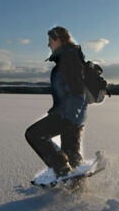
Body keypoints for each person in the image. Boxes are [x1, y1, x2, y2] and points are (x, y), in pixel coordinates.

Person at [25, 26, 88, 178]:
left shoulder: (69, 59)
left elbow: (78, 92)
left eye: (50, 41)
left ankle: (63, 170)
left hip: (68, 115)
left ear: (58, 40)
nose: (48, 44)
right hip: (71, 114)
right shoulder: (68, 57)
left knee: (34, 134)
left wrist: (70, 120)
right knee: (72, 157)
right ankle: (76, 189)